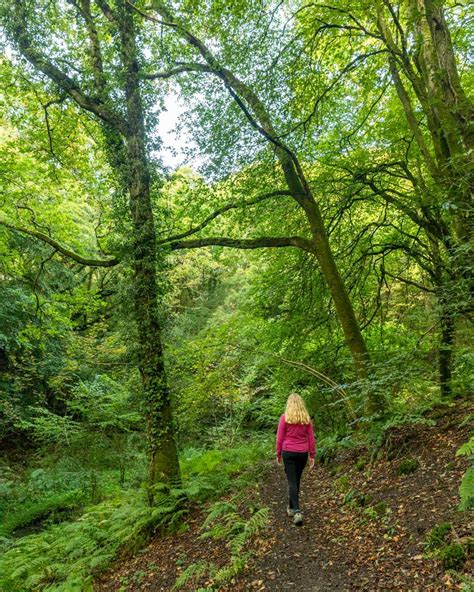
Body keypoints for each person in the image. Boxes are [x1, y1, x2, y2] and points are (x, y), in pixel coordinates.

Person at [276, 393, 316, 525]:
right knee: (296, 480)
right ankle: (291, 507)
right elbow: (311, 439)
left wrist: (278, 454)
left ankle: (297, 511)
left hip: (288, 452)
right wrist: (312, 455)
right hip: (302, 453)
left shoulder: (284, 418)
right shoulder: (306, 419)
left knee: (292, 481)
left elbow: (279, 438)